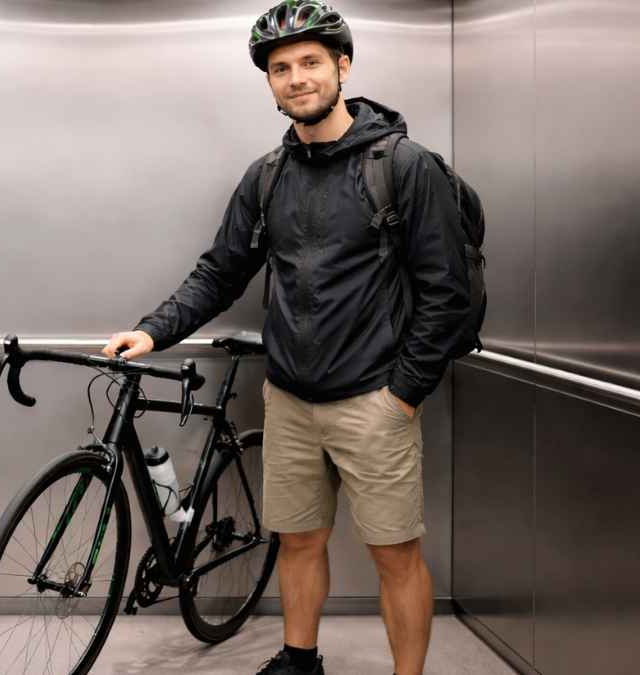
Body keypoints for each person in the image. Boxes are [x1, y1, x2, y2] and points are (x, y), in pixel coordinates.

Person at [102, 3, 471, 674]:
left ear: (342, 65)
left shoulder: (404, 165)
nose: (297, 78)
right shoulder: (268, 176)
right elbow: (221, 270)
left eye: (309, 62)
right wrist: (153, 330)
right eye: (280, 69)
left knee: (395, 554)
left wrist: (404, 395)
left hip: (375, 400)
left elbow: (449, 292)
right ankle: (300, 660)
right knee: (298, 540)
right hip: (290, 398)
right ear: (269, 84)